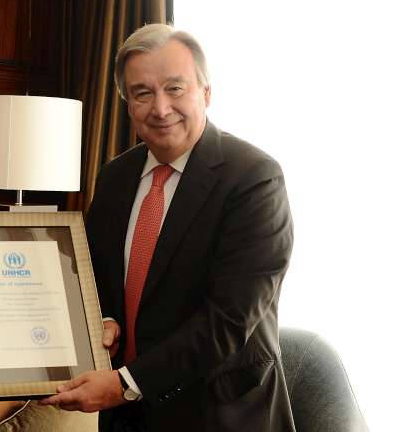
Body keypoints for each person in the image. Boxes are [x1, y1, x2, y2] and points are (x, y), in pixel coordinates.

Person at [41, 23, 295, 431]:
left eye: (175, 88)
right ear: (128, 104)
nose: (160, 108)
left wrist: (125, 384)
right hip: (129, 419)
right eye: (143, 93)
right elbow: (92, 282)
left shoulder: (254, 178)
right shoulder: (115, 177)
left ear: (206, 93)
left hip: (218, 414)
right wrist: (101, 321)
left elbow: (229, 320)